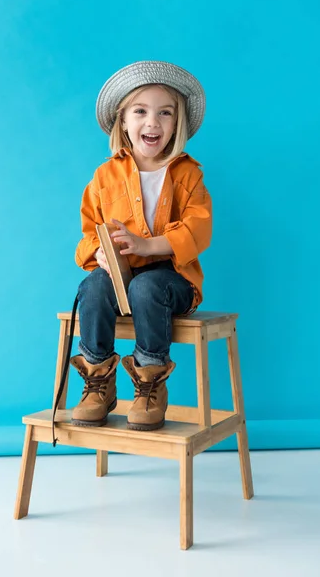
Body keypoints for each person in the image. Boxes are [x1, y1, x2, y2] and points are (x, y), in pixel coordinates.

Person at [65, 61, 212, 435]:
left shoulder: (187, 174)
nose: (153, 123)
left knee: (146, 286)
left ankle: (149, 384)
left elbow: (198, 229)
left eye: (166, 113)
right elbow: (88, 234)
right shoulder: (104, 177)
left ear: (177, 123)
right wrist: (98, 251)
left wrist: (148, 245)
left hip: (170, 280)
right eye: (141, 111)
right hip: (120, 278)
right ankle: (98, 380)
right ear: (123, 121)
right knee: (94, 285)